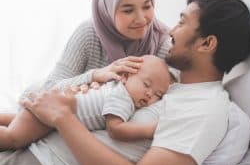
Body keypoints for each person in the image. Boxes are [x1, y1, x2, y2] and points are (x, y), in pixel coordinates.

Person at [0, 0, 250, 165]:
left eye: (182, 22)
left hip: (36, 164)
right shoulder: (170, 83)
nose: (170, 30)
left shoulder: (205, 109)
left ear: (207, 43)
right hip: (29, 146)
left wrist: (63, 118)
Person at [0, 0, 171, 144]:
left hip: (72, 115)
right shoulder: (89, 33)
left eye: (147, 6)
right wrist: (95, 75)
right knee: (14, 135)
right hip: (52, 101)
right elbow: (49, 88)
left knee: (18, 124)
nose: (141, 18)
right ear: (107, 9)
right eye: (128, 10)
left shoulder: (161, 41)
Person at [0, 55, 171, 151]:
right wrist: (148, 130)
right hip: (50, 112)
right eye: (146, 85)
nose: (150, 94)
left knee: (15, 120)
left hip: (49, 108)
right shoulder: (123, 98)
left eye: (158, 94)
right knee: (12, 139)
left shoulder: (114, 87)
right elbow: (115, 129)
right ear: (125, 76)